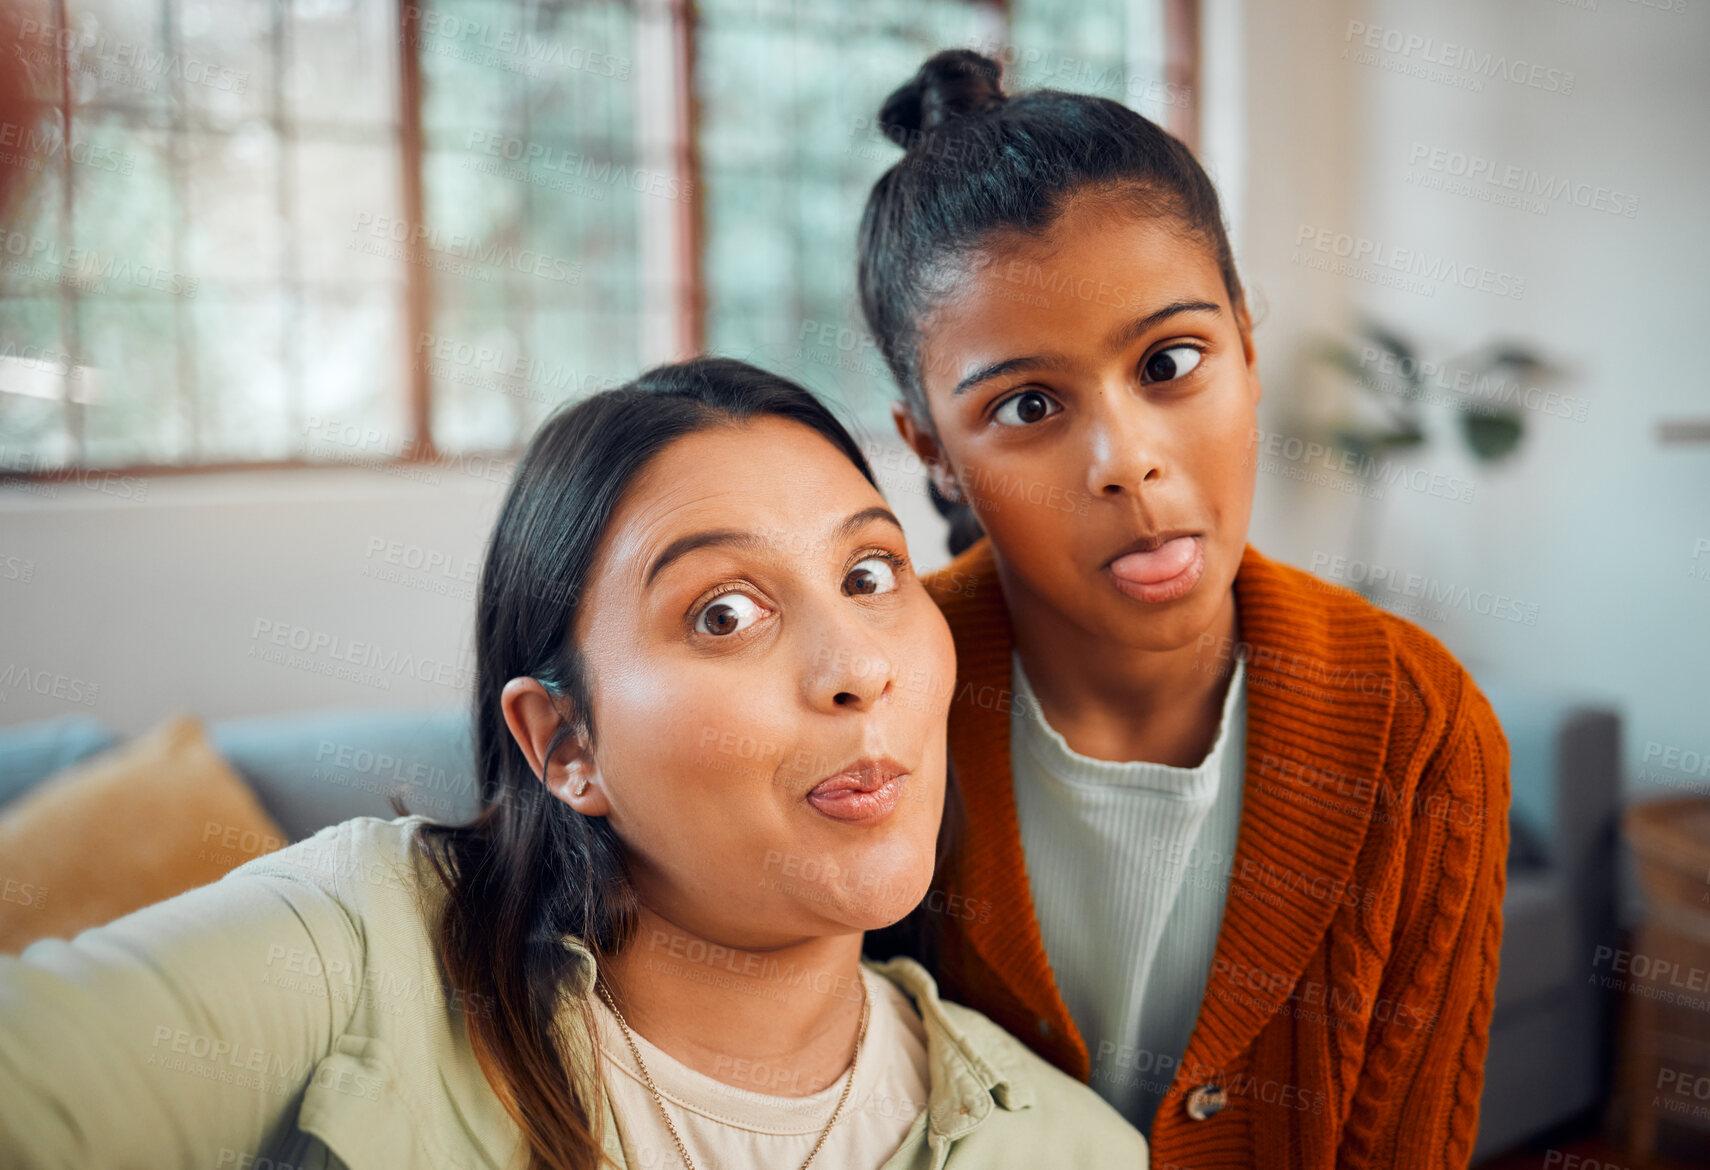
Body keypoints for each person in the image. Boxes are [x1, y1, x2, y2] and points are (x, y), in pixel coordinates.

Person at [0, 358, 1148, 1169]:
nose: (857, 668)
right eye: (725, 613)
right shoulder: (364, 950)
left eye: (869, 575)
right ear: (565, 745)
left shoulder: (1069, 1149)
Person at [857, 50, 1510, 1170]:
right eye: (1026, 405)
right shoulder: (868, 702)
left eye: (1170, 362)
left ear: (1249, 350)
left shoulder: (1422, 731)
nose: (1129, 462)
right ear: (933, 452)